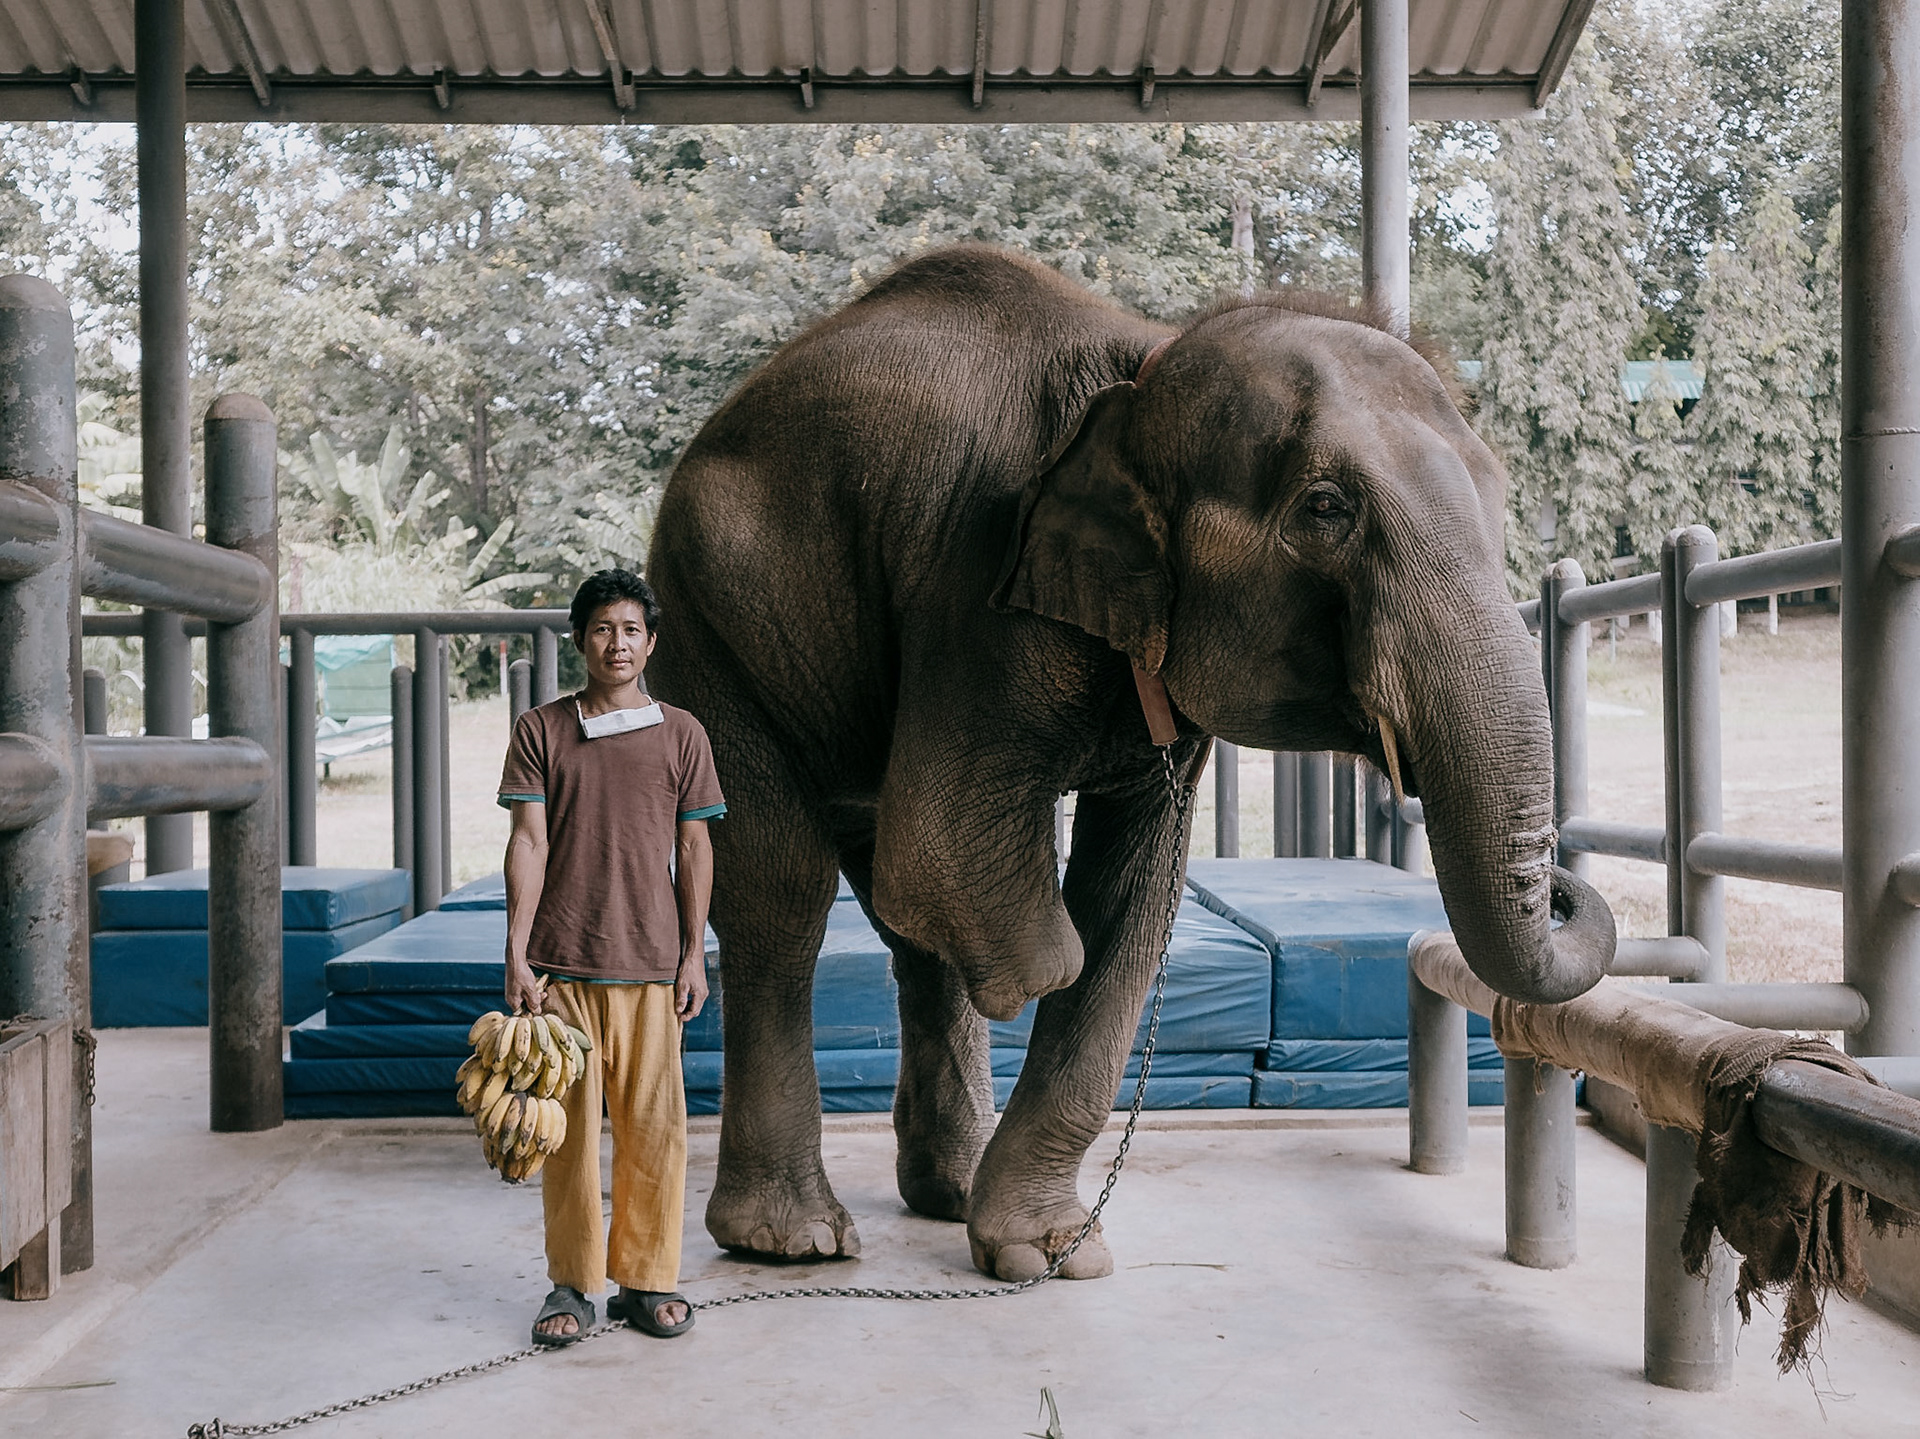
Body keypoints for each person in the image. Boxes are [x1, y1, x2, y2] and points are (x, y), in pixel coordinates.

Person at [497, 568, 725, 1345]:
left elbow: (696, 847)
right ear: (579, 639)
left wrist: (694, 954)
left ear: (650, 643)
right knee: (564, 1139)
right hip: (562, 968)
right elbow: (528, 840)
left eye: (630, 629)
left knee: (656, 1131)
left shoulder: (682, 734)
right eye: (602, 628)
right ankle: (572, 1282)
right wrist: (517, 949)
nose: (616, 643)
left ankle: (648, 1279)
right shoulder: (542, 729)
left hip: (653, 965)